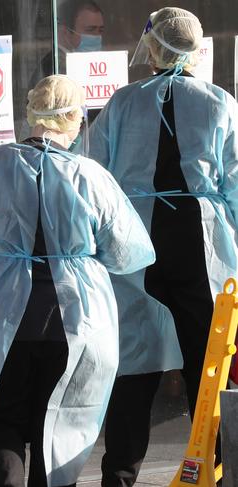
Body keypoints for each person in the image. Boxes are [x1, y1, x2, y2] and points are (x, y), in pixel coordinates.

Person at [0, 74, 155, 487]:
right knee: (61, 426)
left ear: (30, 113)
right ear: (76, 121)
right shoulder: (90, 176)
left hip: (1, 319)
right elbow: (129, 252)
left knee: (2, 420)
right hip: (74, 323)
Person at [84, 7, 238, 486]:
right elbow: (233, 184)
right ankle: (212, 469)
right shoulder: (219, 102)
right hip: (199, 244)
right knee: (205, 363)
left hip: (136, 244)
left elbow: (91, 172)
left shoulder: (124, 101)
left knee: (135, 363)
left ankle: (120, 475)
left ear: (152, 48)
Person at [32, 0, 104, 84]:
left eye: (100, 30)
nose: (97, 36)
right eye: (90, 30)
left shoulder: (89, 63)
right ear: (65, 32)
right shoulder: (53, 68)